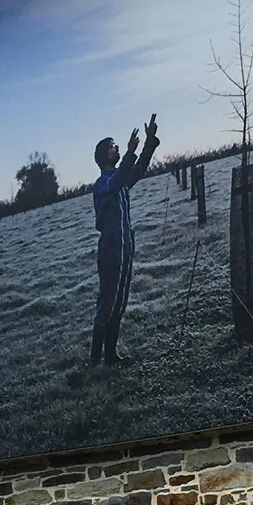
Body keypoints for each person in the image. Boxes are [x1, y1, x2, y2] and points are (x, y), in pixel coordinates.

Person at [89, 112, 158, 364]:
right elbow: (117, 181)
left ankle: (111, 356)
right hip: (110, 250)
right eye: (113, 147)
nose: (117, 148)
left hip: (125, 247)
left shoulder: (120, 177)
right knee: (107, 302)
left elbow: (137, 169)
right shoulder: (102, 183)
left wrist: (149, 142)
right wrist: (129, 152)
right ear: (103, 156)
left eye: (117, 146)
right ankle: (95, 360)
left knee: (120, 301)